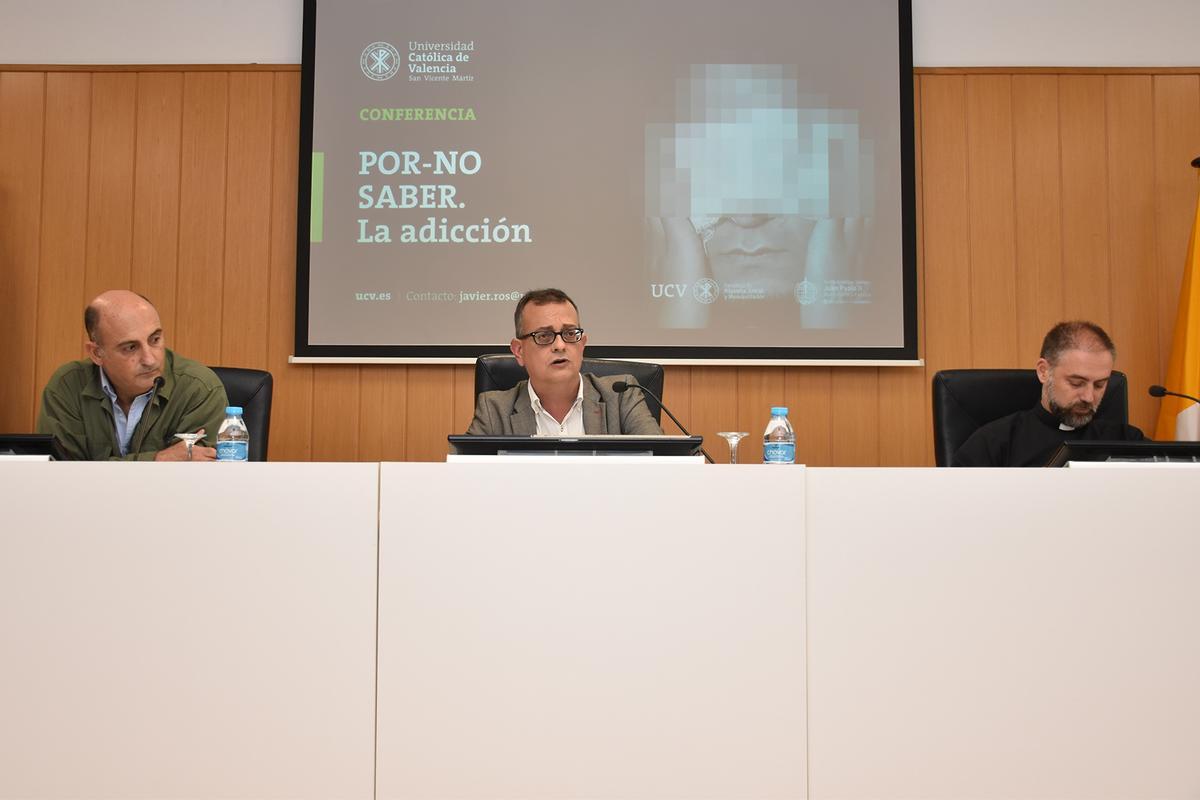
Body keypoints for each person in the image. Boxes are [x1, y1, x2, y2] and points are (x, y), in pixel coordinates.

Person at [36, 290, 229, 461]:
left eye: (155, 339)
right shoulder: (68, 386)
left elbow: (199, 480)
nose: (150, 359)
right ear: (96, 353)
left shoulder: (199, 389)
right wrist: (158, 460)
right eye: (130, 347)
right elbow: (61, 476)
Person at [466, 288, 664, 436]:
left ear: (582, 344)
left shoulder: (621, 397)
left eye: (570, 333)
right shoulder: (494, 410)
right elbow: (464, 479)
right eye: (544, 336)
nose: (560, 345)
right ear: (519, 351)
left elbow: (661, 464)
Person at [952, 321, 1146, 467]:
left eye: (1099, 385)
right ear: (1044, 371)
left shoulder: (1128, 442)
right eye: (1076, 383)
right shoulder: (993, 444)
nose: (1088, 397)